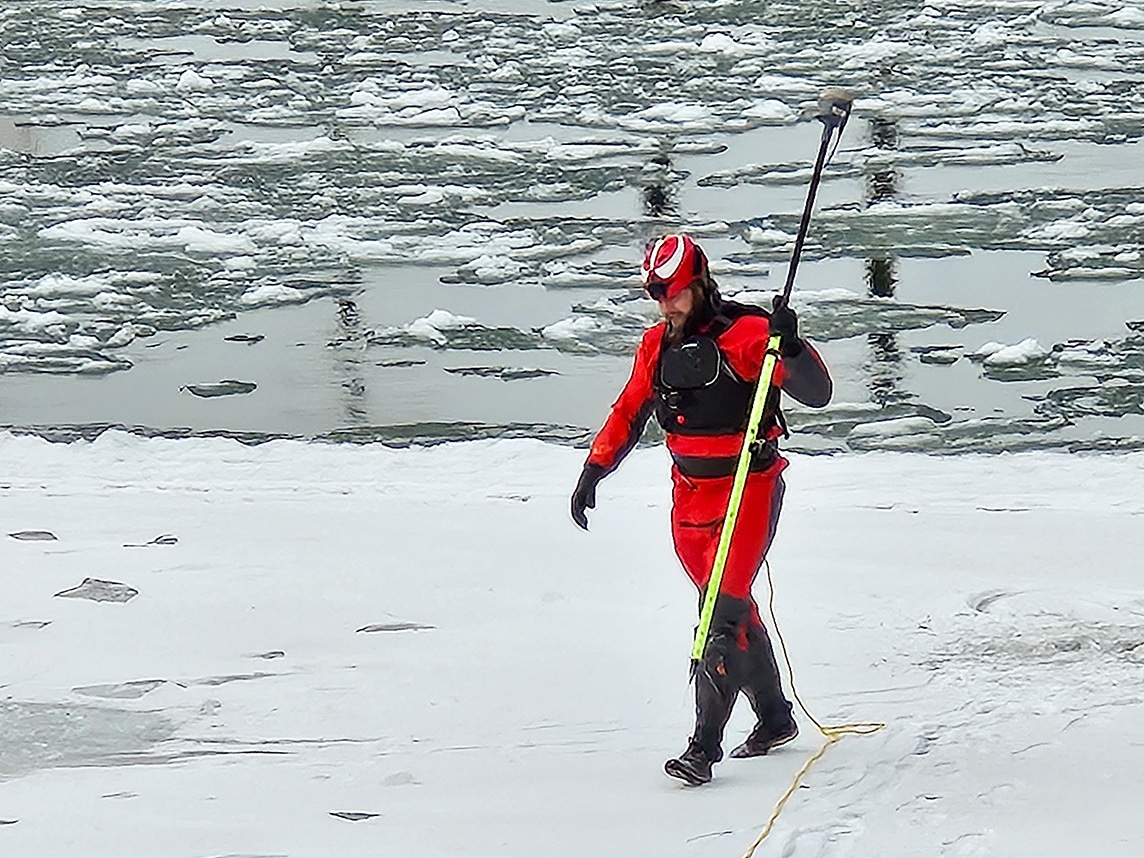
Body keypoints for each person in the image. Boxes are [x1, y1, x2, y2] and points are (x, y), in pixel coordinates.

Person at [570, 233, 833, 786]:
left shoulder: (746, 335)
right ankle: (776, 718)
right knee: (729, 610)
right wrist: (594, 470)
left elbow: (817, 392)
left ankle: (701, 749)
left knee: (721, 616)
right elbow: (629, 411)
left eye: (673, 292)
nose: (666, 304)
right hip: (689, 496)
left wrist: (792, 348)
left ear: (698, 283)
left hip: (749, 487)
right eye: (656, 294)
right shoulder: (655, 346)